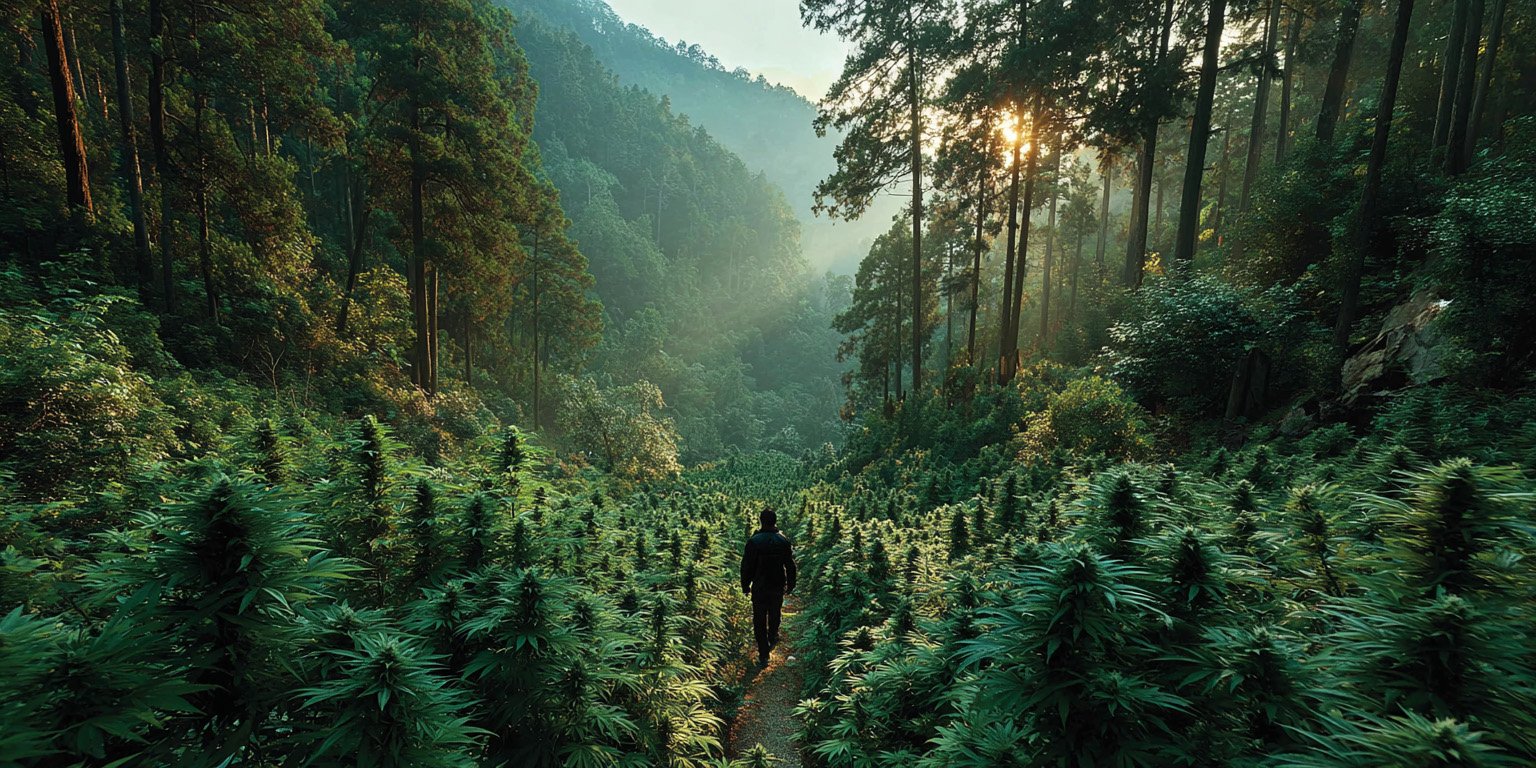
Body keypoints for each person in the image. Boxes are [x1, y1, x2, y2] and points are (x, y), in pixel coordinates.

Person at [740, 505, 797, 668]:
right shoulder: (783, 541)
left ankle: (763, 653)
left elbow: (746, 566)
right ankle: (772, 636)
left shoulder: (754, 542)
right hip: (777, 585)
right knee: (775, 614)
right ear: (774, 521)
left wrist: (745, 585)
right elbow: (790, 565)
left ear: (761, 521)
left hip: (760, 586)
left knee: (759, 619)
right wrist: (791, 584)